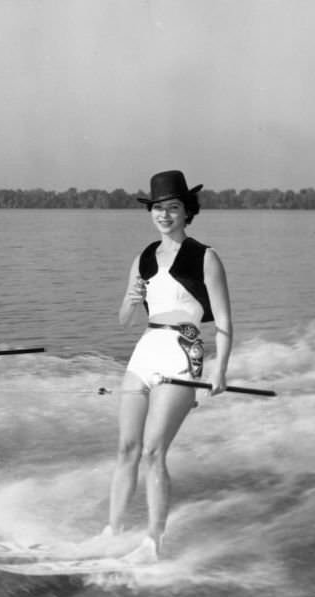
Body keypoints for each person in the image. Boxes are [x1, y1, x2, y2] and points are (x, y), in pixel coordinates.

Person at [108, 170, 233, 562]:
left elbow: (226, 324)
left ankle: (152, 543)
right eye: (158, 209)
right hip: (145, 350)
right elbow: (124, 320)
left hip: (183, 352)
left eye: (172, 208)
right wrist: (131, 297)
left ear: (186, 211)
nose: (164, 215)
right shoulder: (144, 257)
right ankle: (112, 532)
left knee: (152, 451)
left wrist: (220, 370)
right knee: (127, 448)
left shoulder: (205, 256)